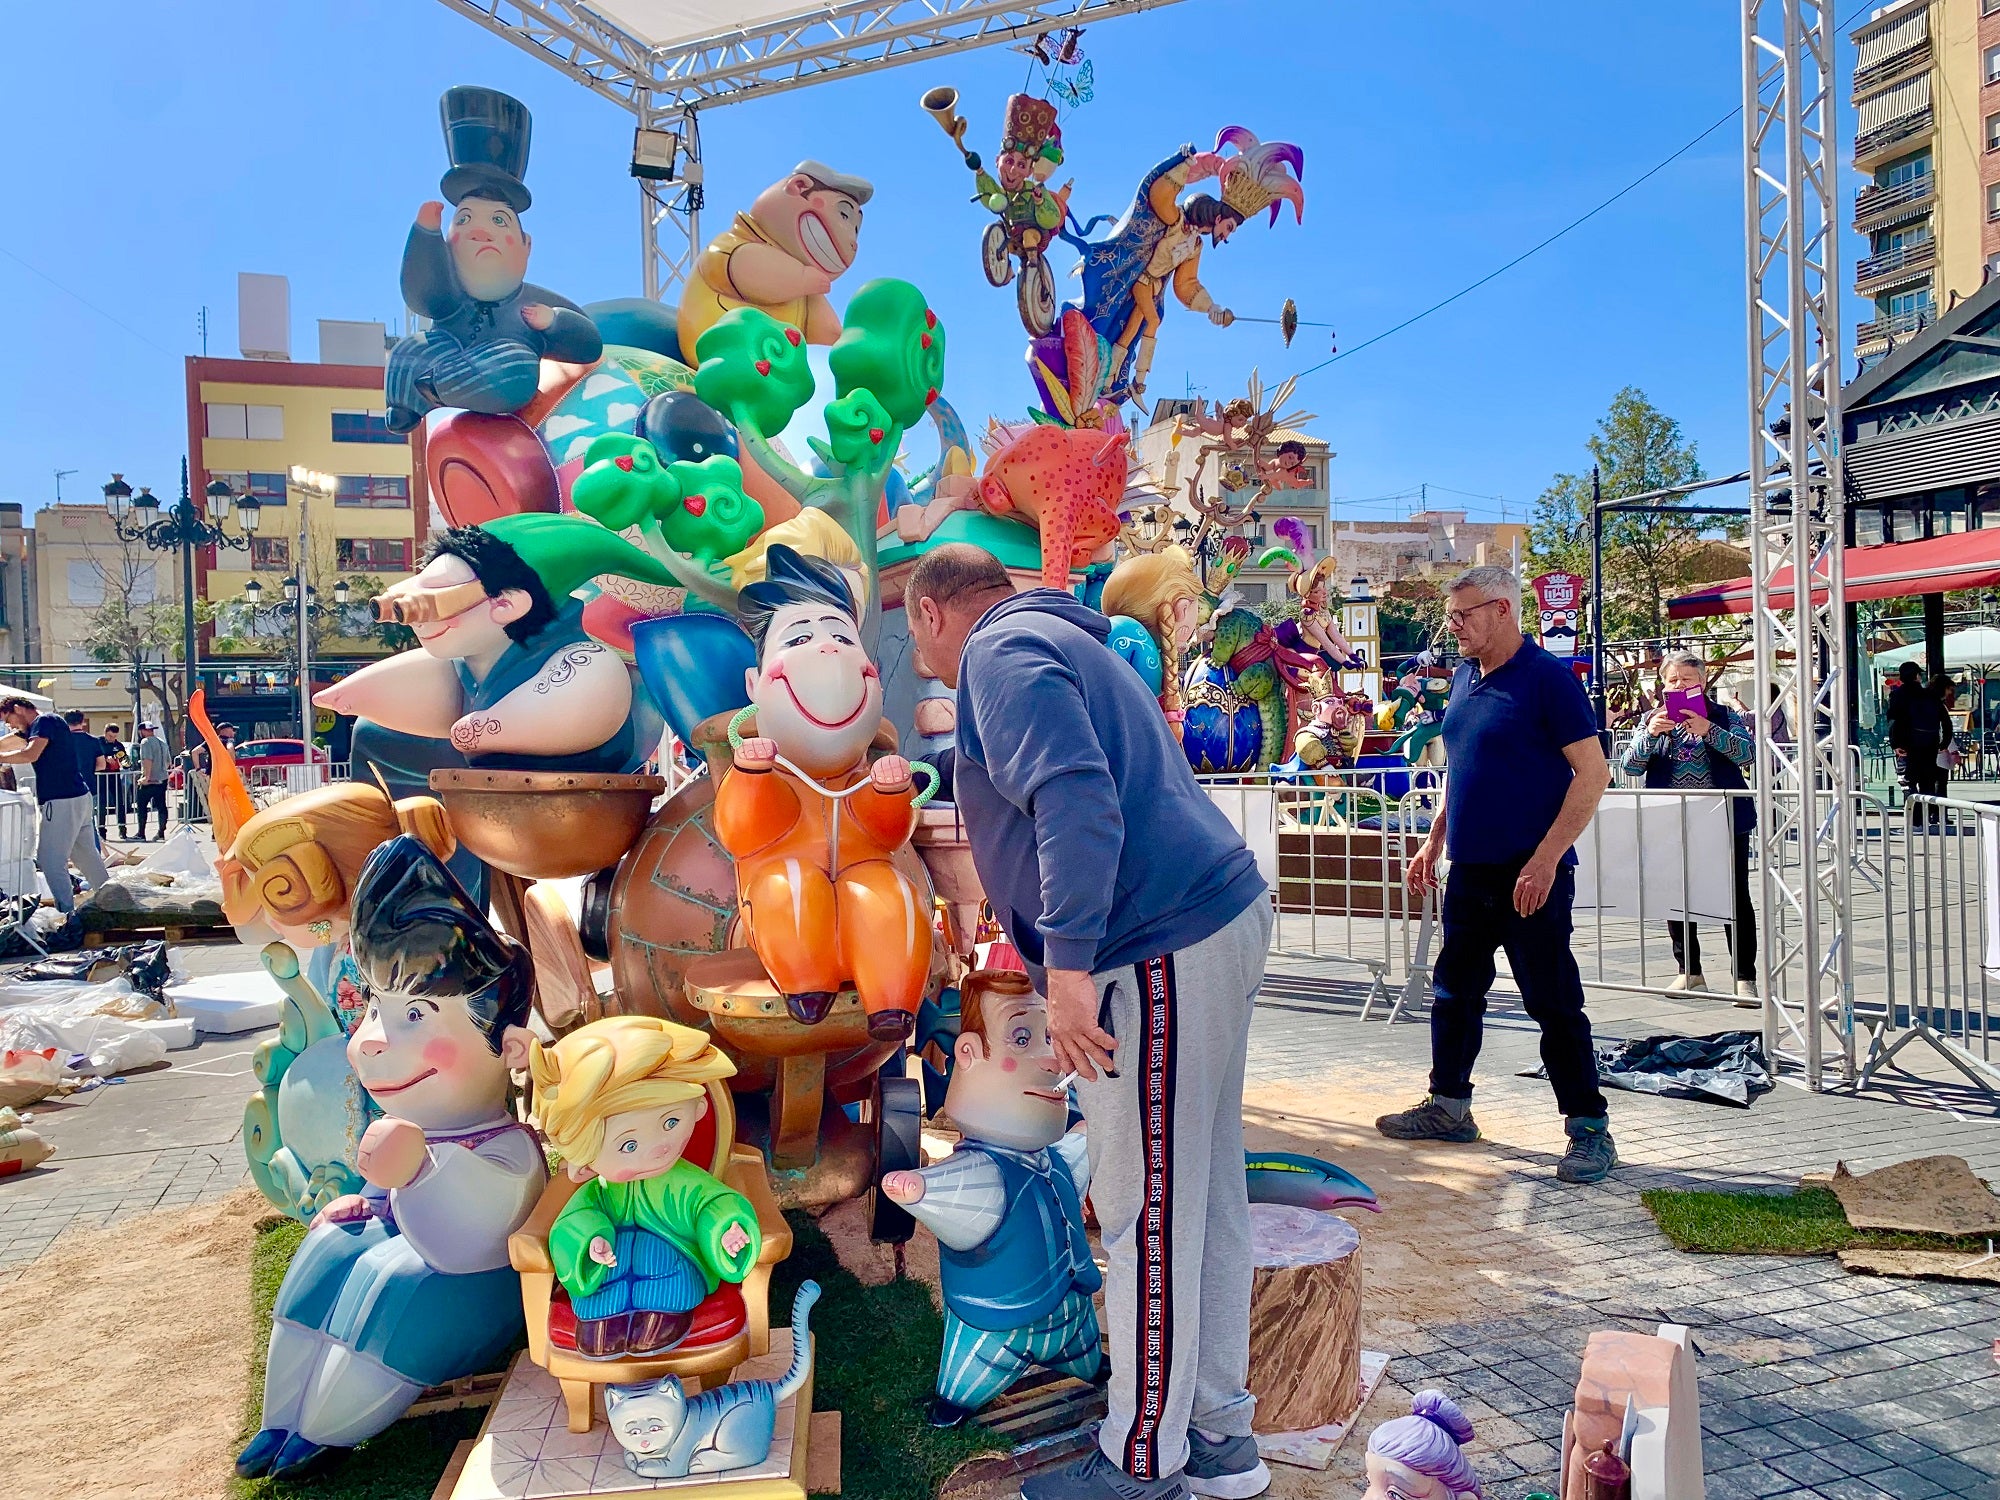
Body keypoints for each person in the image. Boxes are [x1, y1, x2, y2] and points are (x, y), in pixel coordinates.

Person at [905, 543, 1272, 1500]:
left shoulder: (998, 653)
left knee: (1147, 1211)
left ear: (934, 610)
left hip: (1148, 944)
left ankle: (1143, 1460)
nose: (918, 662)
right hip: (1202, 922)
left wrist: (1066, 968)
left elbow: (1076, 797)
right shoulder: (1062, 641)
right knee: (1202, 1194)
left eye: (912, 636)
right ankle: (1219, 1434)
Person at [1375, 565, 1617, 1185]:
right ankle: (1450, 1106)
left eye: (1463, 615)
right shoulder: (1464, 676)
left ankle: (1589, 1129)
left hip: (1531, 874)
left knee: (1553, 1002)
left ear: (1503, 610)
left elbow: (1592, 775)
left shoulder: (1549, 682)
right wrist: (1434, 839)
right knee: (1455, 993)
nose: (1452, 627)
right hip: (1471, 871)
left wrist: (1546, 858)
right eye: (1450, 616)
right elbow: (1464, 767)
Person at [1620, 653, 1759, 1005]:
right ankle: (1689, 971)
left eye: (1687, 679)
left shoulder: (1725, 716)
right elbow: (1631, 767)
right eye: (1673, 680)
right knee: (1676, 896)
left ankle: (1744, 977)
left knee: (1734, 895)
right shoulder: (1653, 719)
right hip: (1670, 820)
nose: (1680, 686)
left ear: (1703, 680)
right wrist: (1650, 735)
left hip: (1723, 818)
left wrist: (1709, 731)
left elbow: (1748, 755)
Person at [0, 697, 112, 913]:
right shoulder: (39, 728)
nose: (10, 726)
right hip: (78, 797)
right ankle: (114, 901)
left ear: (18, 709)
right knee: (87, 856)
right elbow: (12, 741)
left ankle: (66, 913)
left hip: (61, 800)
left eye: (9, 720)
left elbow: (30, 753)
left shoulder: (46, 722)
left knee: (50, 861)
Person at [1886, 660, 1952, 825]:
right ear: (1916, 676)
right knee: (1927, 782)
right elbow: (1946, 721)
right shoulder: (1928, 695)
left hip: (1908, 745)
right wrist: (1944, 743)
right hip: (1929, 744)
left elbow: (1894, 720)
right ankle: (1925, 814)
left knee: (1908, 781)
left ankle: (1914, 818)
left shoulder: (1898, 695)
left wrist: (1895, 744)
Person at [133, 721, 171, 840]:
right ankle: (161, 832)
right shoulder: (162, 742)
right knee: (161, 805)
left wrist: (146, 777)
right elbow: (168, 762)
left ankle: (141, 833)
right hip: (162, 778)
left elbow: (147, 760)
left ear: (142, 731)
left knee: (142, 806)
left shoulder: (145, 742)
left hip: (150, 780)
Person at [97, 723, 132, 840]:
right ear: (105, 733)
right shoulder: (98, 743)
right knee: (101, 804)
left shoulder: (118, 745)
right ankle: (101, 831)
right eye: (110, 736)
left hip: (114, 776)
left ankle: (122, 830)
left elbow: (126, 763)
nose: (112, 739)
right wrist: (106, 760)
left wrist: (121, 760)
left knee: (119, 803)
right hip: (101, 776)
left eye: (115, 737)